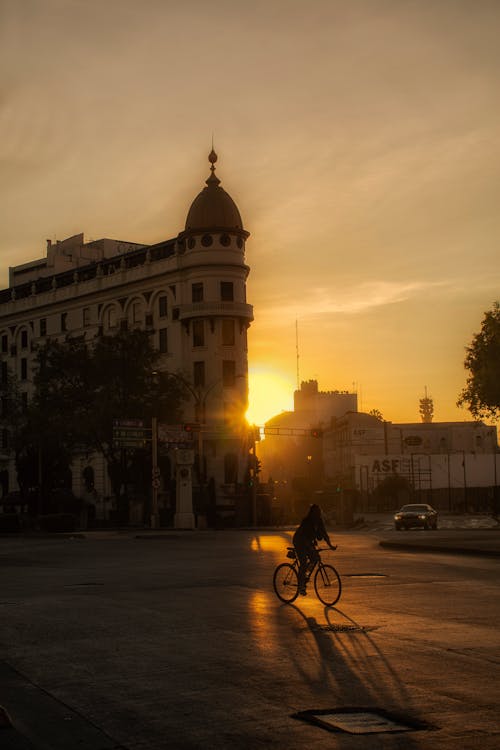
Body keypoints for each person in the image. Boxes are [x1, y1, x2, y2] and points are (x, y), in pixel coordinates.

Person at [293, 503, 336, 595]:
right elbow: (303, 537)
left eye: (319, 512)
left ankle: (304, 574)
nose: (319, 514)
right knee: (303, 562)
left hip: (308, 542)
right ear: (313, 513)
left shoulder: (319, 521)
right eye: (317, 512)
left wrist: (330, 546)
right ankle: (301, 585)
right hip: (299, 541)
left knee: (315, 558)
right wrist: (310, 547)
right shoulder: (307, 521)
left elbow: (324, 534)